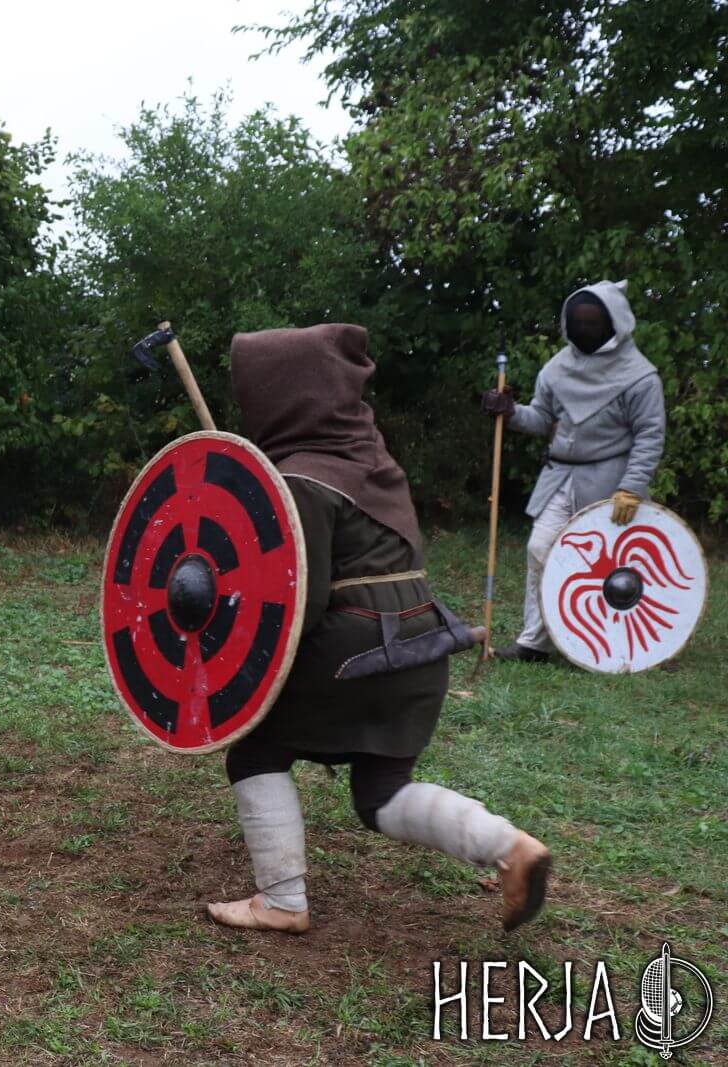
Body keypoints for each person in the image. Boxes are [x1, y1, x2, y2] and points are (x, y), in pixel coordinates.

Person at [206, 323, 551, 935]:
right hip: (422, 650)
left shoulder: (301, 481)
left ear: (281, 396)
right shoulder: (373, 462)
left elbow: (296, 603)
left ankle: (282, 901)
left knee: (256, 753)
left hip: (352, 651)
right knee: (381, 792)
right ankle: (510, 847)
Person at [481, 280, 665, 662]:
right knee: (540, 548)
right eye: (577, 322)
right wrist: (510, 412)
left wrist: (632, 486)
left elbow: (650, 435)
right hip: (560, 477)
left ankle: (618, 644)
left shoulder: (640, 377)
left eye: (592, 323)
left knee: (612, 567)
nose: (584, 329)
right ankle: (535, 643)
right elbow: (541, 418)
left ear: (613, 323)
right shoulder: (557, 369)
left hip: (612, 484)